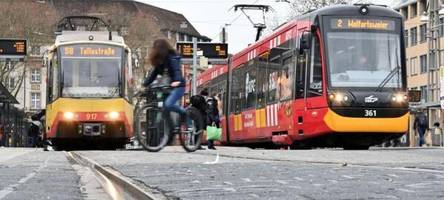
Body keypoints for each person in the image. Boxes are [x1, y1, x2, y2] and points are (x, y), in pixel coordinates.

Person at [143, 39, 187, 123]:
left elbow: (176, 70)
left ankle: (183, 112)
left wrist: (177, 80)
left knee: (168, 104)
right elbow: (153, 74)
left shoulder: (172, 57)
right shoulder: (160, 61)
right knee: (164, 110)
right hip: (168, 87)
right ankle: (170, 130)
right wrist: (145, 85)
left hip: (178, 86)